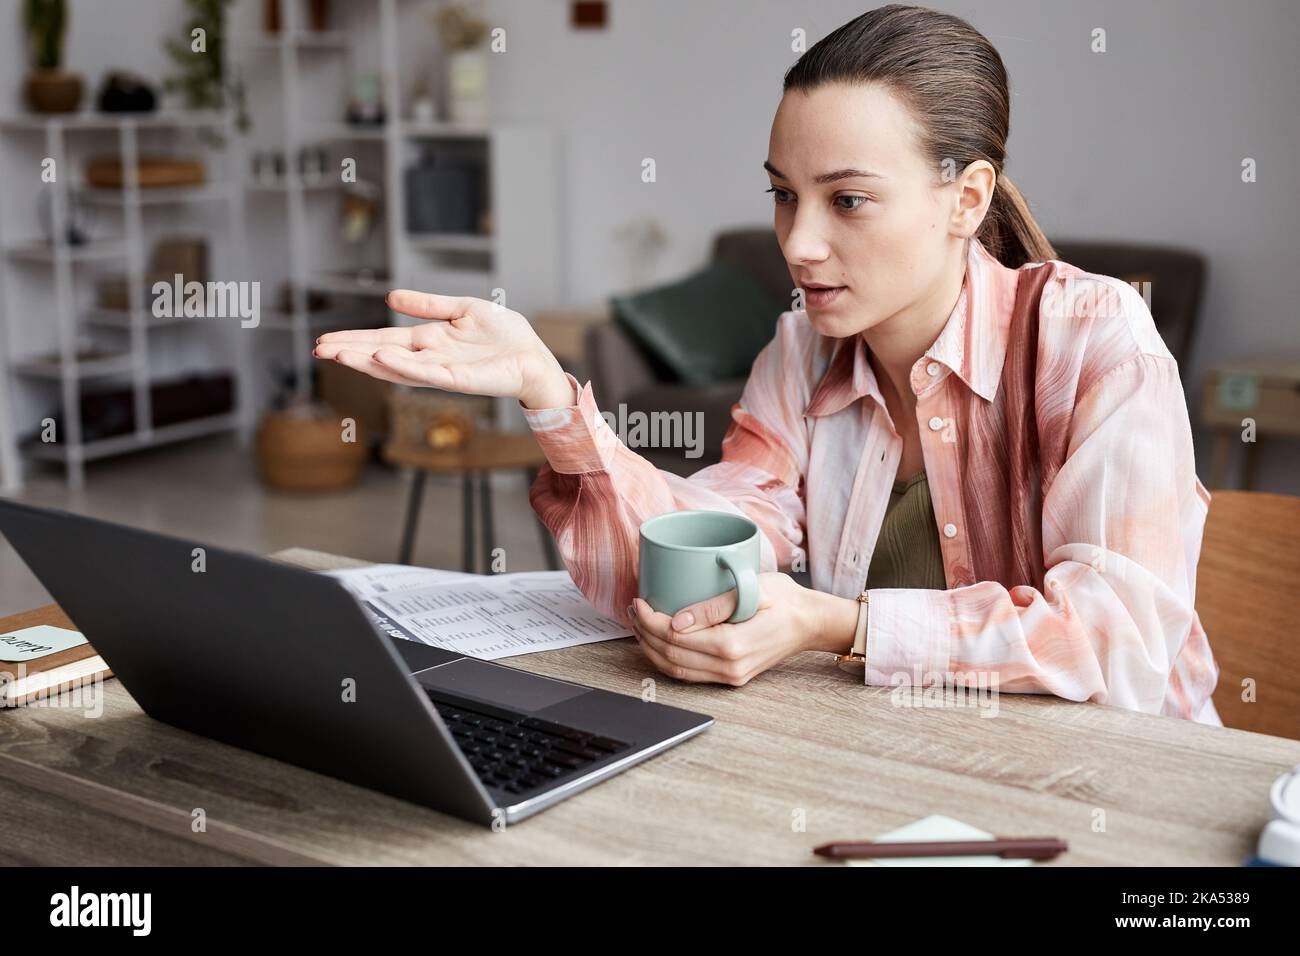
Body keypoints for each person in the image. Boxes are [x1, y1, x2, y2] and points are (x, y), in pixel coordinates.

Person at [314, 5, 1220, 724]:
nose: (801, 242)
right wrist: (548, 393)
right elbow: (706, 546)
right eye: (785, 196)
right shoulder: (800, 351)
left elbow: (1119, 645)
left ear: (965, 198)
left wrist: (841, 625)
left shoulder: (1095, 338)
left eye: (849, 199)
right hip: (902, 767)